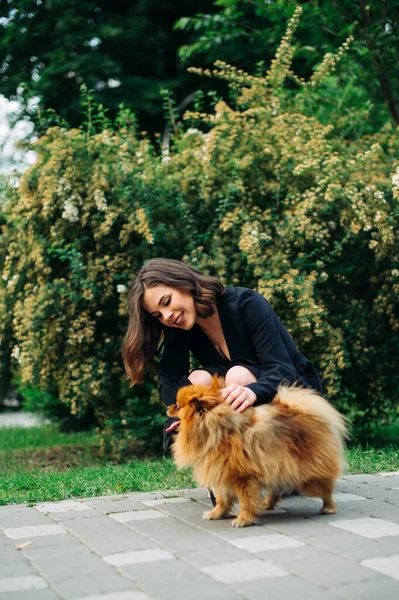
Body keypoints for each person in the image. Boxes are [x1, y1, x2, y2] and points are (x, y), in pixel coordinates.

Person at [122, 257, 323, 454]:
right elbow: (169, 388)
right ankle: (233, 467)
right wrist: (196, 404)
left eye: (166, 302)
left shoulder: (246, 303)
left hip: (294, 394)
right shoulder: (180, 327)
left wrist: (252, 391)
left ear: (184, 283)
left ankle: (273, 462)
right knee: (199, 380)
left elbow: (282, 370)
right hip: (245, 409)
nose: (167, 316)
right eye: (158, 315)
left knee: (236, 376)